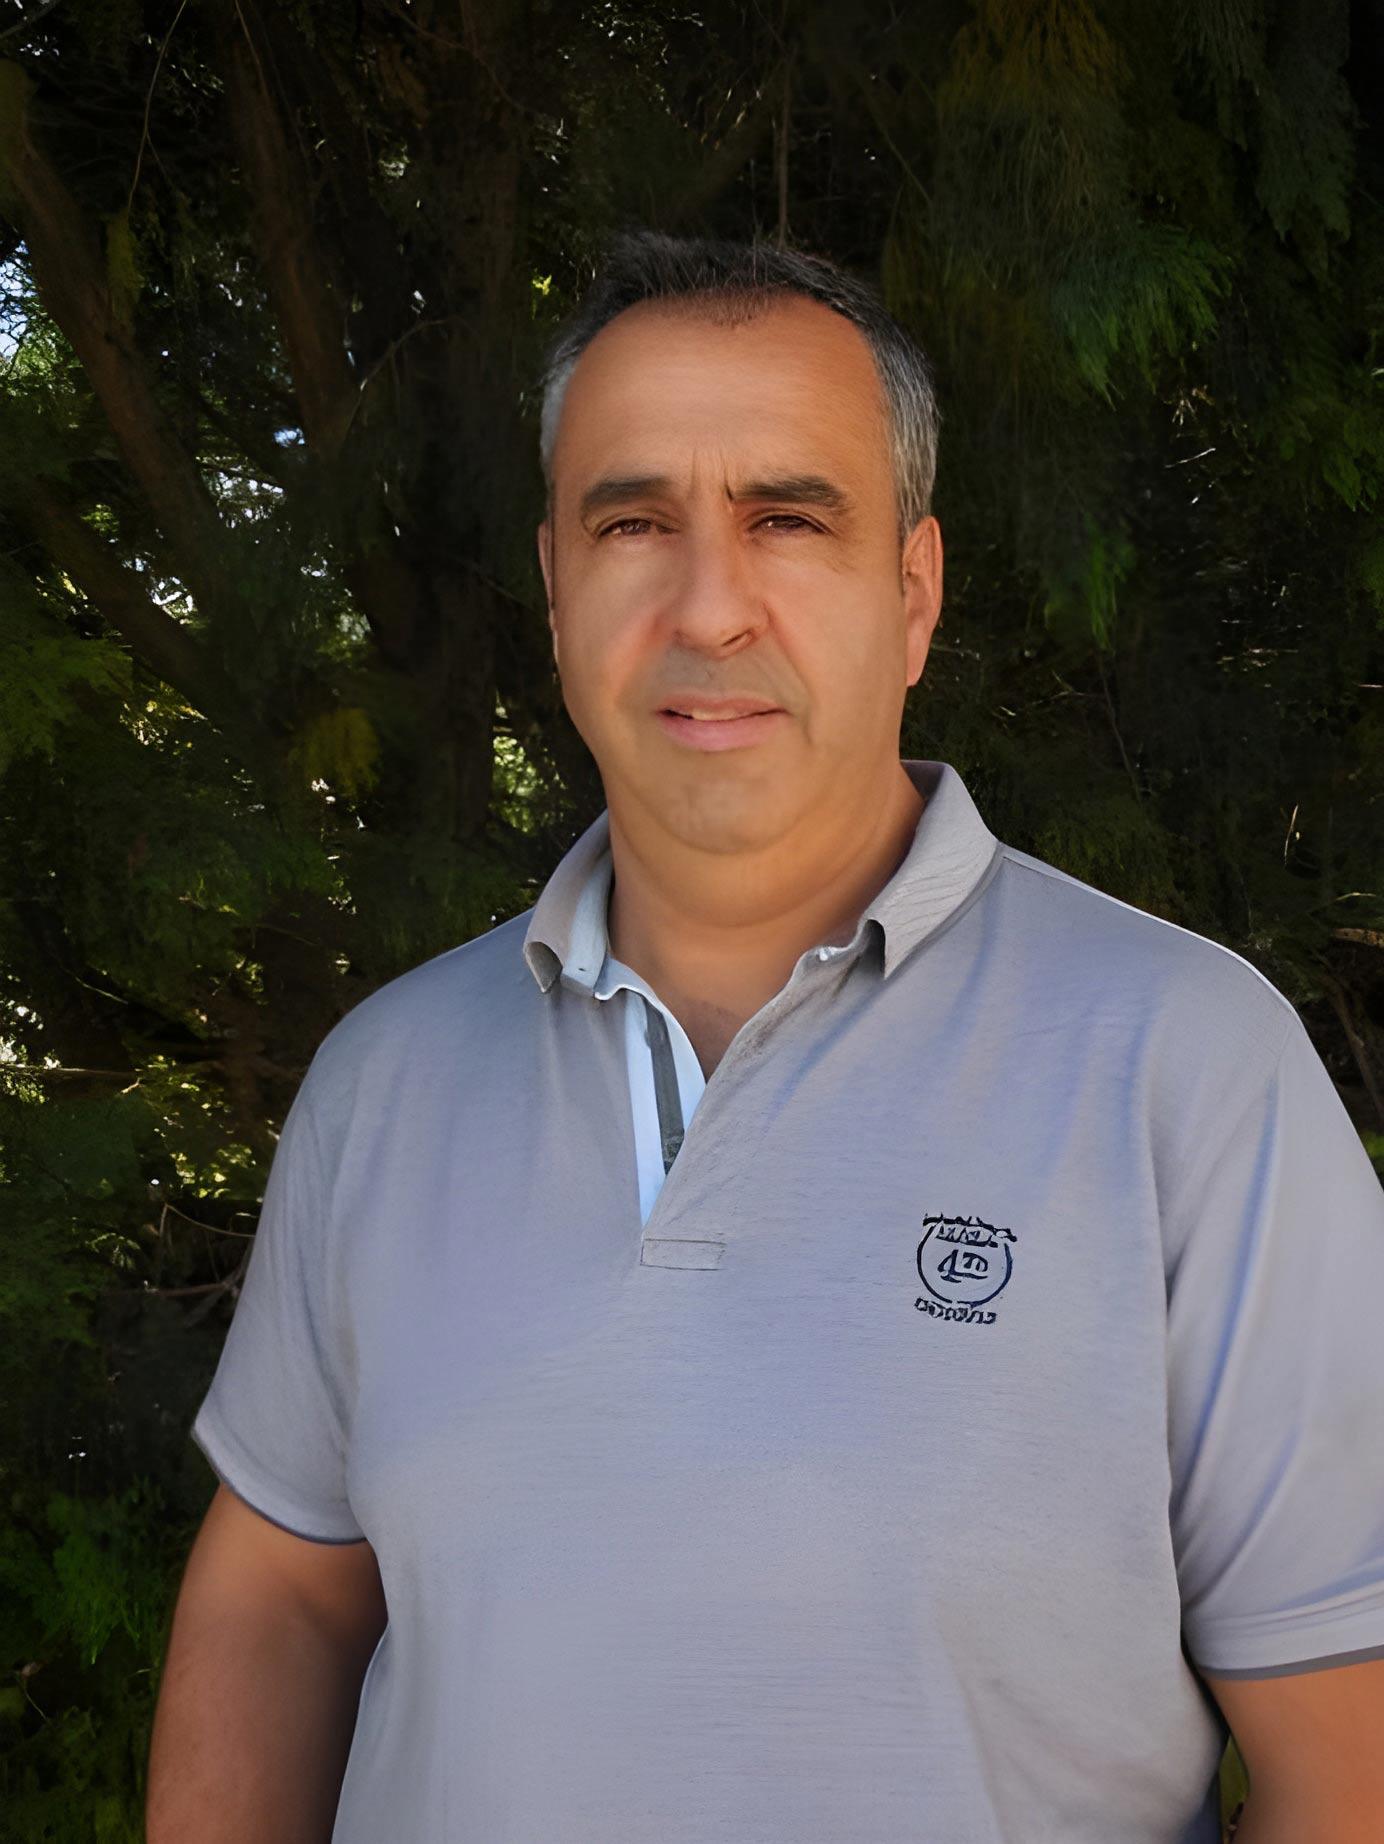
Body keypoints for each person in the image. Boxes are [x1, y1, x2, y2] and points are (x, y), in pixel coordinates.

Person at [146, 231, 1384, 1843]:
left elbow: (1350, 1750)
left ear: (913, 592)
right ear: (556, 586)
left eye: (788, 520)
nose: (710, 606)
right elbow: (283, 1601)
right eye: (634, 523)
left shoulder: (1189, 1067)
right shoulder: (385, 1082)